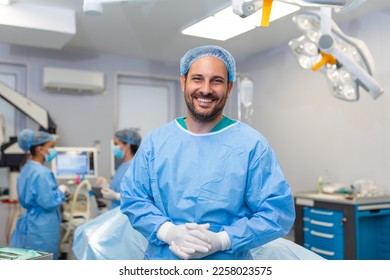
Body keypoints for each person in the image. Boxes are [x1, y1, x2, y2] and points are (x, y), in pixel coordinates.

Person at [120, 45, 295, 260]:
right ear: (183, 82)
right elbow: (133, 198)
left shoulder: (252, 145)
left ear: (229, 87)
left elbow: (277, 213)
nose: (205, 89)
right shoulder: (156, 143)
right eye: (197, 79)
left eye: (217, 81)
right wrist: (167, 232)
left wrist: (223, 240)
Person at [9, 129, 68, 260]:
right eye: (51, 147)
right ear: (40, 149)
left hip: (32, 223)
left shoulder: (27, 168)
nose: (54, 150)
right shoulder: (42, 173)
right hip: (43, 228)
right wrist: (61, 191)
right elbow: (48, 202)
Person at [100, 128, 141, 210]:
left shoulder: (136, 168)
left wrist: (116, 196)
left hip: (124, 218)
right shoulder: (123, 165)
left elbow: (139, 199)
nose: (114, 147)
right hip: (115, 213)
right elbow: (120, 188)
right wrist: (106, 186)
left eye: (116, 144)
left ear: (127, 145)